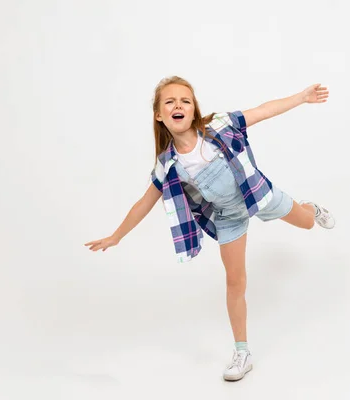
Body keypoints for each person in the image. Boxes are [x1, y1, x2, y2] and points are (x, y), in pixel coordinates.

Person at [84, 76, 335, 381]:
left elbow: (264, 110)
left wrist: (301, 97)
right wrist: (116, 236)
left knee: (307, 223)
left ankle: (313, 209)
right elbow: (143, 203)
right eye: (170, 102)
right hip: (228, 216)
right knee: (235, 283)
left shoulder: (218, 125)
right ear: (159, 115)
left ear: (193, 110)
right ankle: (242, 352)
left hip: (257, 194)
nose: (178, 105)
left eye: (185, 101)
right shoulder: (168, 164)